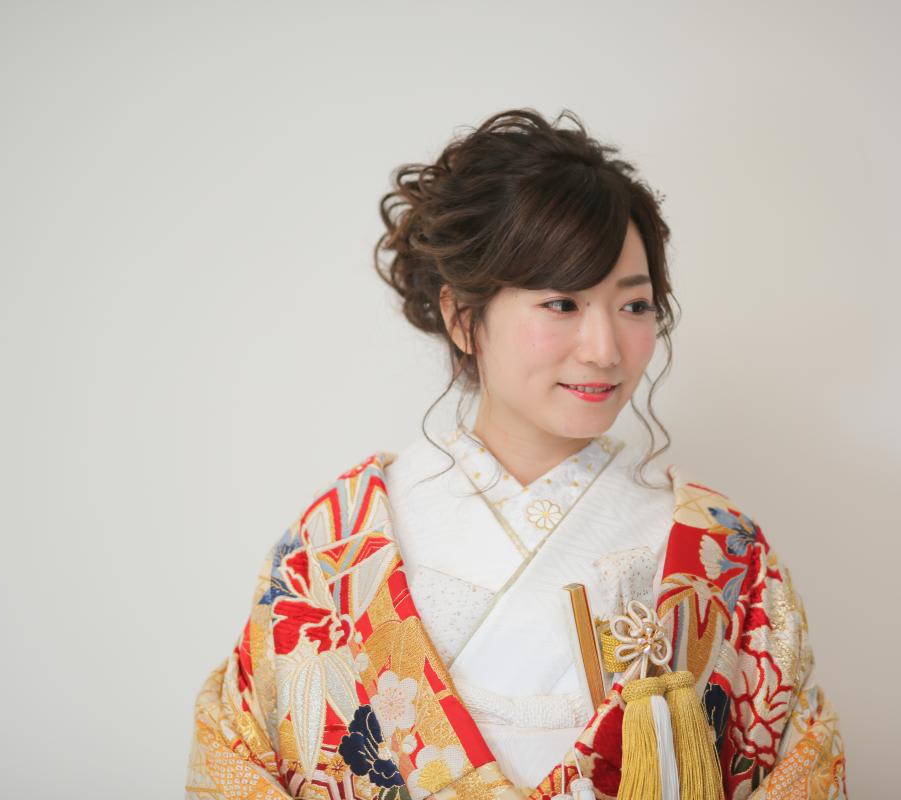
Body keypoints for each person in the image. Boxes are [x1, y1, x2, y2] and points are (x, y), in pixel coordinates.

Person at [186, 108, 847, 800]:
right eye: (562, 303)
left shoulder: (725, 554)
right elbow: (240, 759)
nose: (605, 349)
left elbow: (799, 768)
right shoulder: (335, 548)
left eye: (634, 305)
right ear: (462, 317)